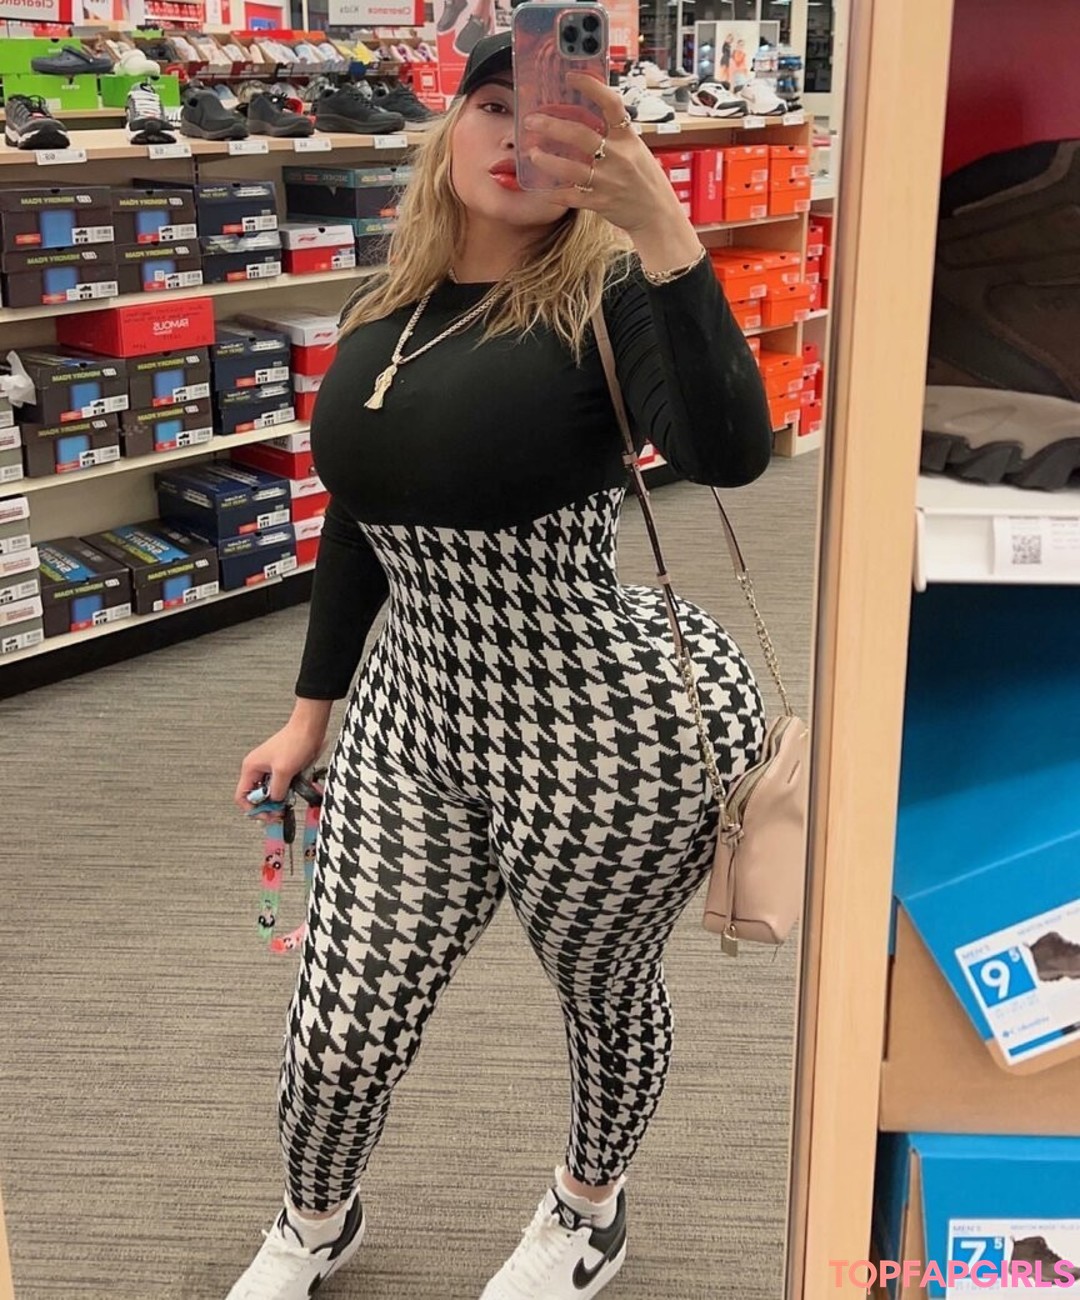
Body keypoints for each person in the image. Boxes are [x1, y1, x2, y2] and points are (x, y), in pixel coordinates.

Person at [228, 31, 773, 1300]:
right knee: (342, 1017)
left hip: (598, 723)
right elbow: (358, 519)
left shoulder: (608, 298)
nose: (521, 135)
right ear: (451, 128)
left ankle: (589, 1209)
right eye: (495, 104)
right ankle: (314, 1219)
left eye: (566, 117)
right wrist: (310, 714)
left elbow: (728, 452)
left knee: (602, 991)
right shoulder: (385, 310)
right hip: (413, 711)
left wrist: (662, 227)